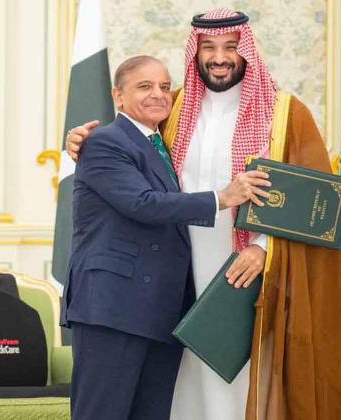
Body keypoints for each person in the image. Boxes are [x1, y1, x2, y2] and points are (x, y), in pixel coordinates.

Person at [66, 9, 341, 420]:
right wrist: (80, 139)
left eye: (230, 47)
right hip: (171, 281)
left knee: (242, 378)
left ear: (246, 51)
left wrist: (262, 248)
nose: (219, 58)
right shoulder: (173, 109)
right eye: (208, 47)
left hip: (248, 271)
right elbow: (129, 155)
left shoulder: (285, 114)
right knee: (176, 387)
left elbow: (316, 203)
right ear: (196, 52)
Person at [61, 55, 272, 420]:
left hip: (160, 311)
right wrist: (223, 198)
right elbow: (143, 203)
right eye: (144, 86)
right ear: (117, 96)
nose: (158, 94)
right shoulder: (104, 142)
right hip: (113, 307)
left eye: (164, 86)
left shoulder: (163, 143)